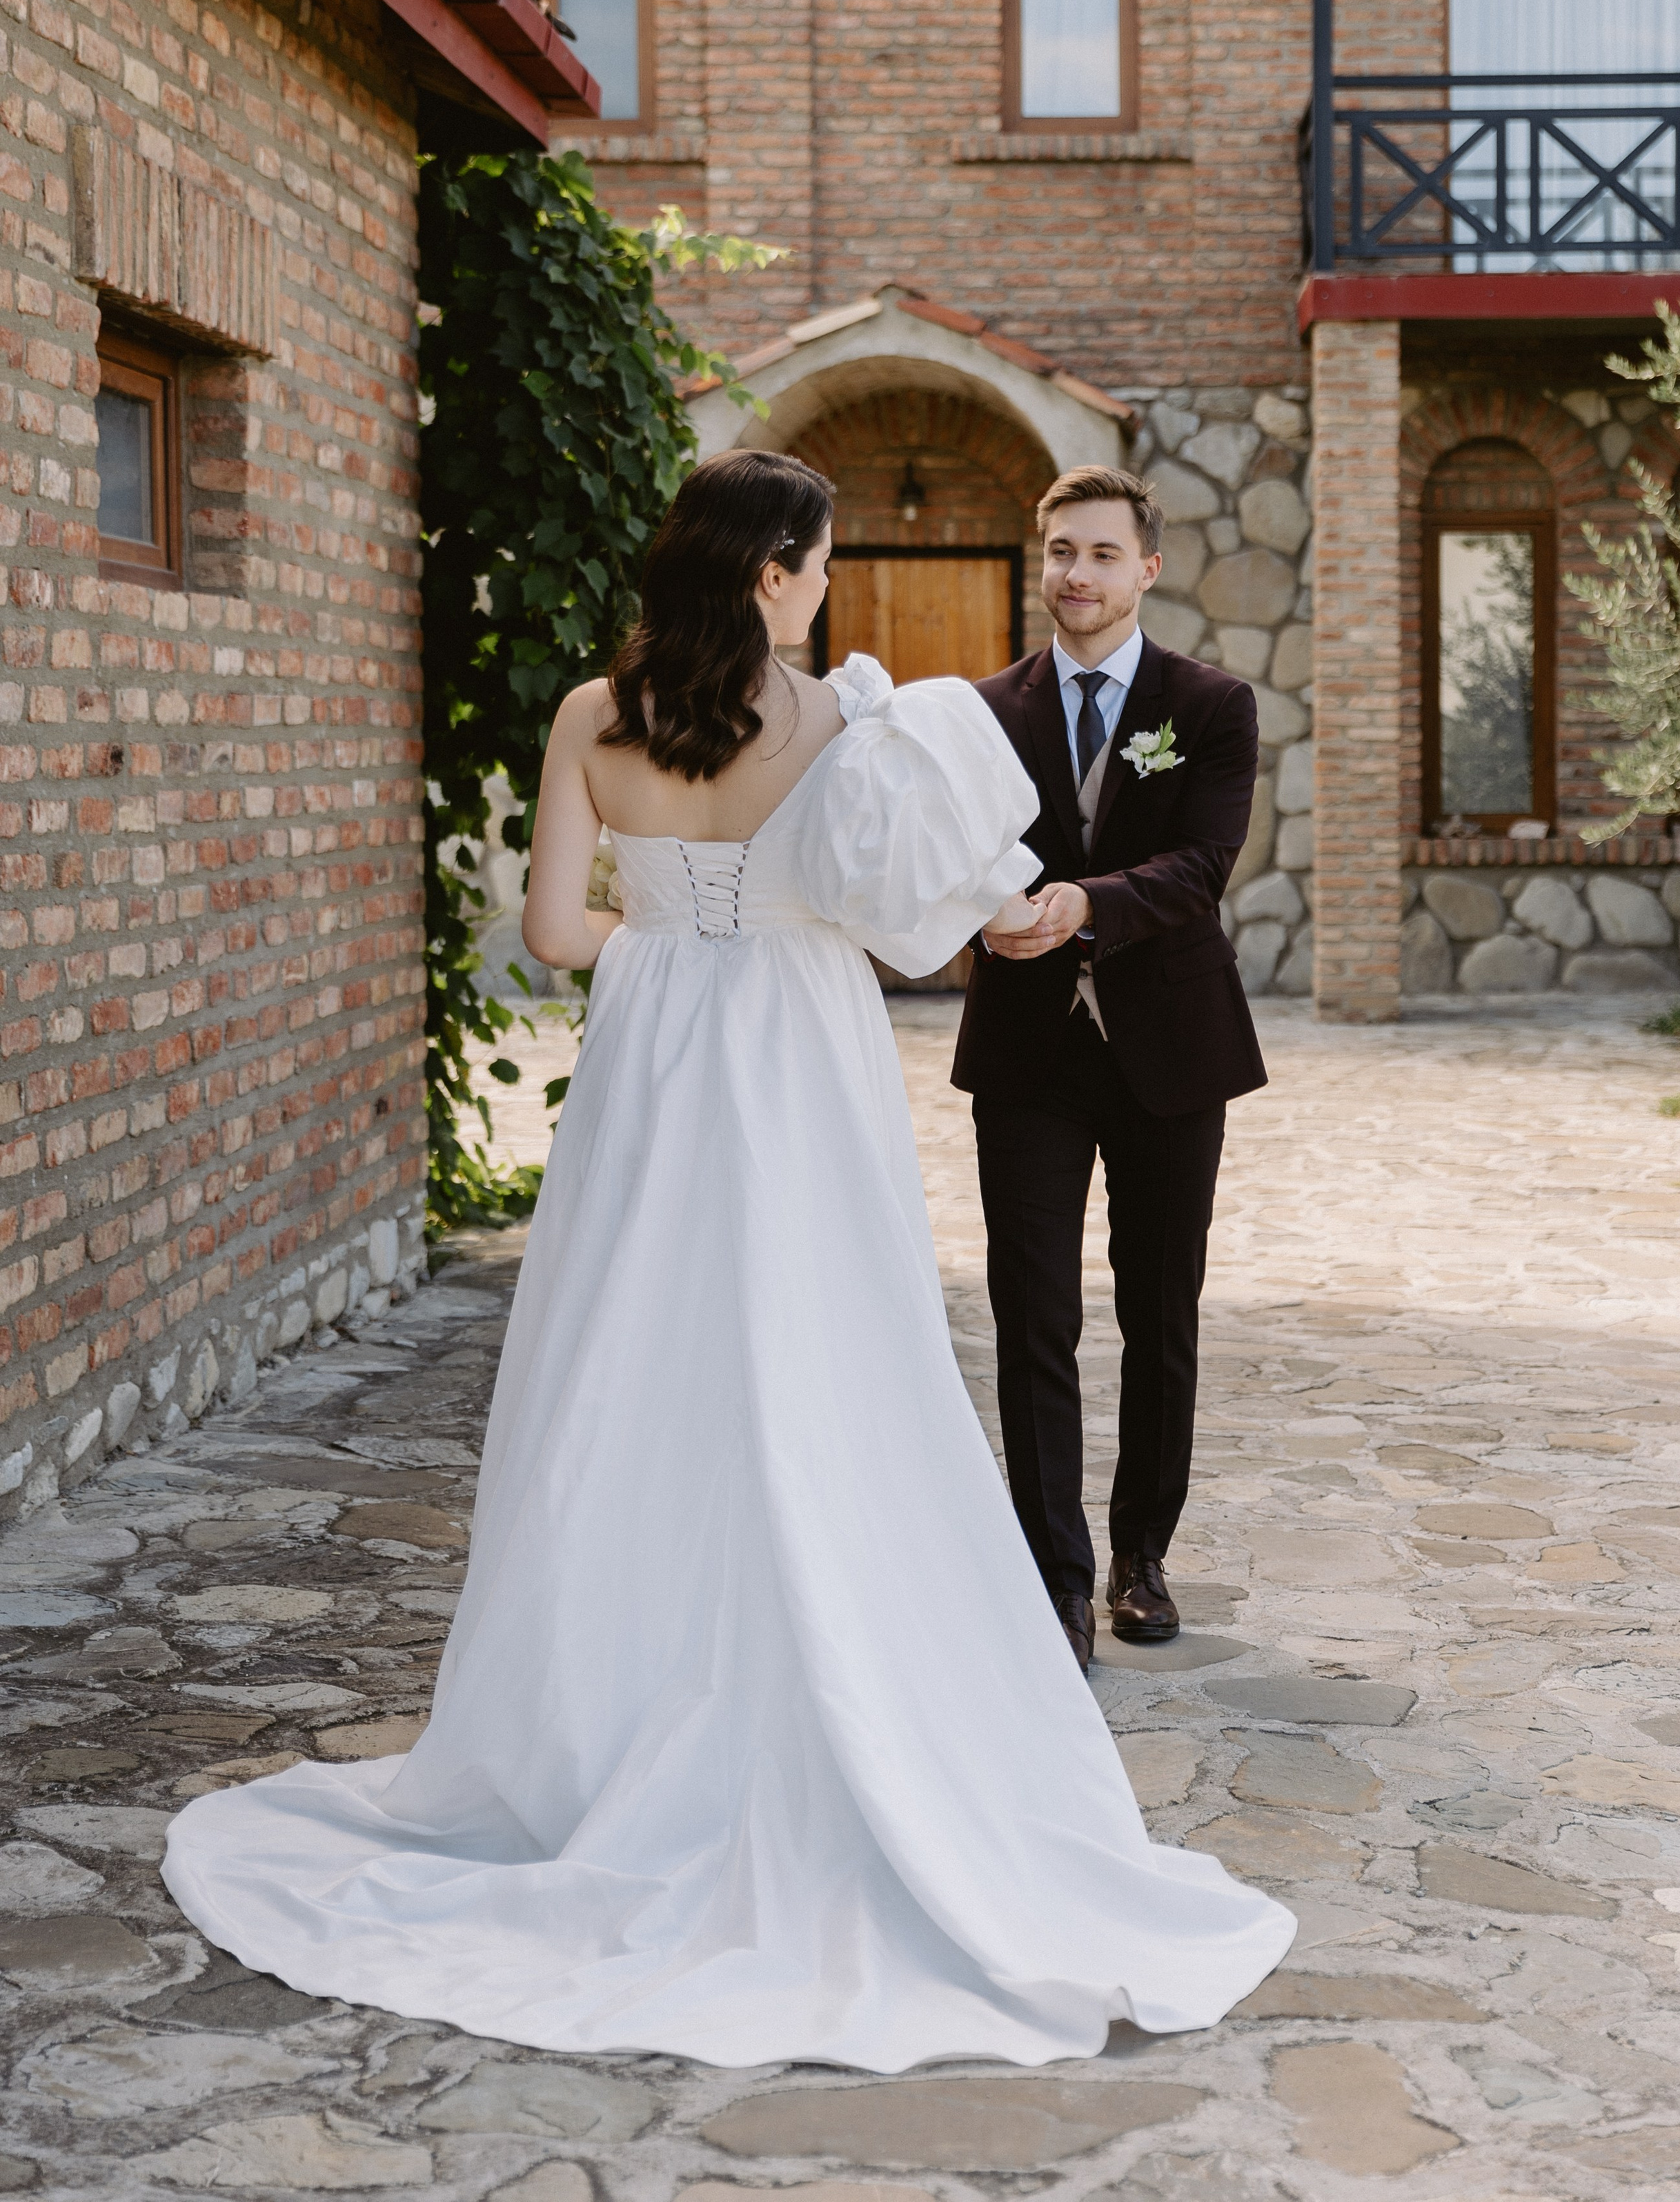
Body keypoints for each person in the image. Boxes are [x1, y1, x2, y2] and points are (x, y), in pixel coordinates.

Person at [163, 448, 1292, 2070]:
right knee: (819, 1357)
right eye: (821, 563)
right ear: (771, 574)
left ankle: (593, 1717)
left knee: (627, 1363)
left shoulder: (585, 716)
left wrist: (673, 948)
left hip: (650, 1061)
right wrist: (832, 929)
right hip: (795, 1055)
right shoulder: (845, 721)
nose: (829, 588)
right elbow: (925, 919)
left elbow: (556, 934)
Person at [954, 465, 1267, 1673]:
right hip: (1027, 1053)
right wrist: (978, 913)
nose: (1074, 575)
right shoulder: (984, 713)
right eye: (1057, 554)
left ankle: (1142, 1557)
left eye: (1098, 554)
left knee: (1159, 1313)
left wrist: (1084, 899)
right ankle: (1054, 1582)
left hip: (1171, 1053)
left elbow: (1203, 867)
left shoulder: (1213, 704)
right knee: (1033, 1316)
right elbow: (961, 856)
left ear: (1146, 567)